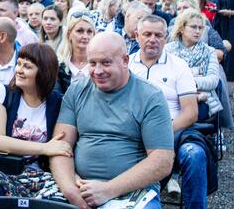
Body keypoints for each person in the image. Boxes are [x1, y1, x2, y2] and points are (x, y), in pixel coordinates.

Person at [51, 32, 174, 209]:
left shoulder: (150, 97)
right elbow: (60, 146)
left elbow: (162, 161)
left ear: (125, 60)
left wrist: (108, 190)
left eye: (106, 63)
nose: (98, 71)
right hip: (78, 186)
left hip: (132, 191)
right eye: (92, 63)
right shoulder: (77, 90)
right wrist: (70, 188)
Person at [0, 43, 68, 207]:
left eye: (27, 66)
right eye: (18, 64)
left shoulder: (59, 103)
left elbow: (61, 146)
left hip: (40, 174)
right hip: (0, 168)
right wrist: (45, 148)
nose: (19, 70)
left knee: (56, 200)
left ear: (44, 72)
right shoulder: (2, 93)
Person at [129, 15, 212, 209]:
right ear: (136, 36)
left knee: (195, 155)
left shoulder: (178, 66)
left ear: (166, 38)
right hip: (132, 133)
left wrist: (160, 134)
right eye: (147, 34)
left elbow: (191, 113)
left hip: (174, 132)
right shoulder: (127, 65)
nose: (153, 39)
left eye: (158, 35)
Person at [164, 9, 223, 120]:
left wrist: (189, 84)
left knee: (195, 113)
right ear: (181, 28)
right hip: (172, 98)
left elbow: (213, 80)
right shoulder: (167, 50)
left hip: (203, 99)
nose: (197, 31)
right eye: (193, 27)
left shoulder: (209, 51)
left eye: (200, 28)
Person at [56, 12, 97, 92]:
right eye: (80, 31)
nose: (85, 36)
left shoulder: (100, 67)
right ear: (69, 35)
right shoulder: (58, 66)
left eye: (89, 32)